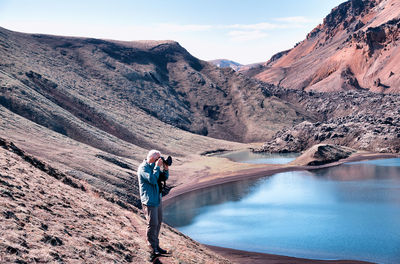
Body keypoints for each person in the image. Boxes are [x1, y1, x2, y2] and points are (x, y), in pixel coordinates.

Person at [137, 149, 169, 262]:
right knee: (152, 223)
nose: (159, 160)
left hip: (157, 198)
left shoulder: (153, 166)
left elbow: (163, 178)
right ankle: (152, 247)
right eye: (158, 158)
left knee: (158, 221)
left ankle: (156, 245)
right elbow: (152, 179)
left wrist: (165, 169)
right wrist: (157, 167)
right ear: (152, 157)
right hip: (149, 200)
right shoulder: (143, 168)